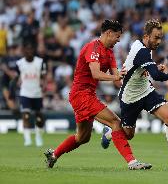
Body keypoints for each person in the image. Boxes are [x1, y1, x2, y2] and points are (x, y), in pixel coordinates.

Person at [44, 20, 151, 170]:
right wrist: (116, 77)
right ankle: (132, 162)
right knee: (115, 122)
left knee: (82, 138)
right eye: (117, 36)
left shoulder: (109, 52)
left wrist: (137, 79)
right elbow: (96, 73)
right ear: (108, 33)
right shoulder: (92, 47)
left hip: (87, 95)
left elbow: (117, 79)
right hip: (80, 95)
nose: (119, 40)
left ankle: (54, 155)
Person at [101, 19, 168, 170]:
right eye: (156, 37)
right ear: (146, 36)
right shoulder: (142, 51)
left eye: (160, 37)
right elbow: (156, 76)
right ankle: (109, 133)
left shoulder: (144, 47)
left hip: (146, 91)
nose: (159, 41)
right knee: (128, 134)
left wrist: (154, 68)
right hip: (130, 97)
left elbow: (142, 69)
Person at [9, 42, 47, 147]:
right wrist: (11, 91)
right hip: (25, 93)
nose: (29, 52)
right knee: (26, 115)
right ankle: (27, 139)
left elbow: (43, 77)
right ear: (24, 51)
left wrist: (44, 85)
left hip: (37, 93)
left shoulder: (40, 62)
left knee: (39, 118)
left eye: (31, 50)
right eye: (27, 50)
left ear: (33, 51)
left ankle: (38, 136)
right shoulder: (20, 63)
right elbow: (15, 78)